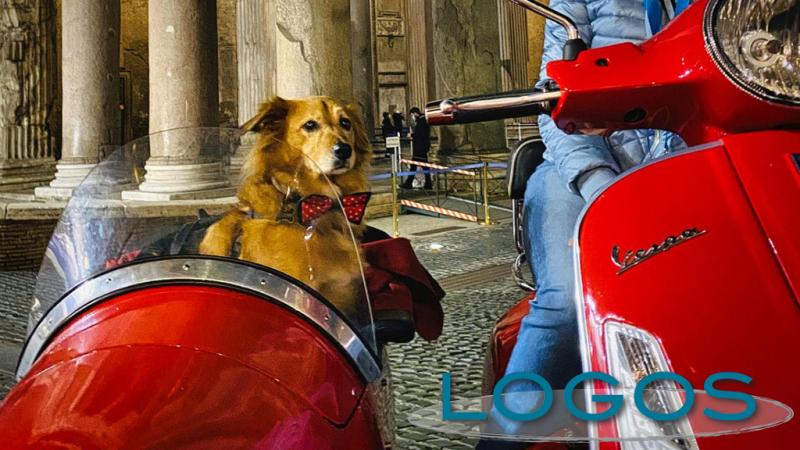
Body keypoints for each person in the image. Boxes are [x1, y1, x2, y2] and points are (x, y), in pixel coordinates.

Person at [478, 0, 690, 447]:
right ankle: (501, 441)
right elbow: (554, 95)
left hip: (690, 169)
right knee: (569, 301)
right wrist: (599, 183)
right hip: (581, 172)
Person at [402, 107, 432, 190]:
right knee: (416, 166)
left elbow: (421, 135)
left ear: (415, 113)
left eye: (412, 115)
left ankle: (427, 184)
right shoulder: (422, 121)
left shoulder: (422, 121)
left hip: (420, 147)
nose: (412, 117)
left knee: (422, 166)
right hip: (421, 147)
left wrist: (411, 135)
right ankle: (411, 183)